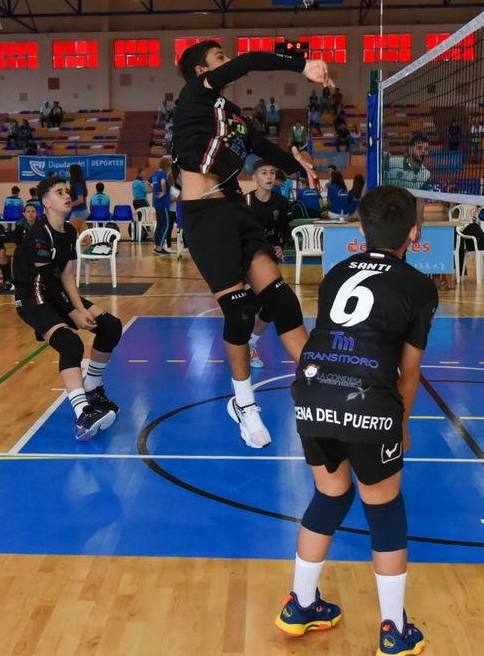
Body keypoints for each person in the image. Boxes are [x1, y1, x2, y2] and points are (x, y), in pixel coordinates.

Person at [276, 185, 435, 656]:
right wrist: (401, 423)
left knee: (330, 495)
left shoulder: (336, 271)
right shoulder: (418, 286)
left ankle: (301, 605)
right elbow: (410, 369)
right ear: (415, 234)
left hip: (311, 392)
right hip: (367, 400)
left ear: (360, 231)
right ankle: (393, 629)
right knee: (384, 507)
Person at [172, 39, 326, 448]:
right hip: (202, 215)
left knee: (280, 300)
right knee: (240, 312)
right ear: (202, 71)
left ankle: (318, 380)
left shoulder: (234, 115)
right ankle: (244, 403)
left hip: (234, 210)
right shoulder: (193, 96)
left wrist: (299, 167)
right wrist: (302, 65)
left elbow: (263, 149)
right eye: (219, 58)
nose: (227, 63)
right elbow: (251, 62)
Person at [12, 175, 124, 441]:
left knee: (110, 326)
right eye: (60, 192)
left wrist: (79, 307)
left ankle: (93, 388)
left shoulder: (71, 231)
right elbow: (46, 281)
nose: (66, 195)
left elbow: (65, 275)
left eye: (67, 191)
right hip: (33, 297)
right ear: (46, 203)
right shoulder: (39, 233)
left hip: (56, 291)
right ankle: (83, 416)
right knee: (70, 344)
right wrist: (73, 313)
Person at [243, 164, 296, 370]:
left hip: (268, 258)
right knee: (249, 305)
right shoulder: (245, 202)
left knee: (272, 305)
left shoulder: (281, 202)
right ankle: (243, 345)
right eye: (264, 173)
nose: (269, 176)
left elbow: (283, 231)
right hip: (247, 258)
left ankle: (251, 342)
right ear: (255, 177)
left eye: (272, 173)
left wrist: (280, 246)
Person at [151, 158, 174, 255]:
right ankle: (159, 248)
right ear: (167, 166)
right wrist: (164, 192)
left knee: (160, 225)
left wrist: (153, 191)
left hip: (156, 203)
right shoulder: (164, 175)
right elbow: (163, 182)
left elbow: (147, 183)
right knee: (166, 225)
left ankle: (157, 246)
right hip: (163, 204)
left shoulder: (155, 175)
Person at [67, 164, 90, 236]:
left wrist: (70, 205)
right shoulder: (79, 184)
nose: (68, 173)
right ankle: (91, 247)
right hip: (82, 211)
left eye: (69, 171)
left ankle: (72, 247)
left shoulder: (77, 184)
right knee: (84, 235)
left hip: (79, 212)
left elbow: (80, 200)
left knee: (70, 234)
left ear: (73, 173)